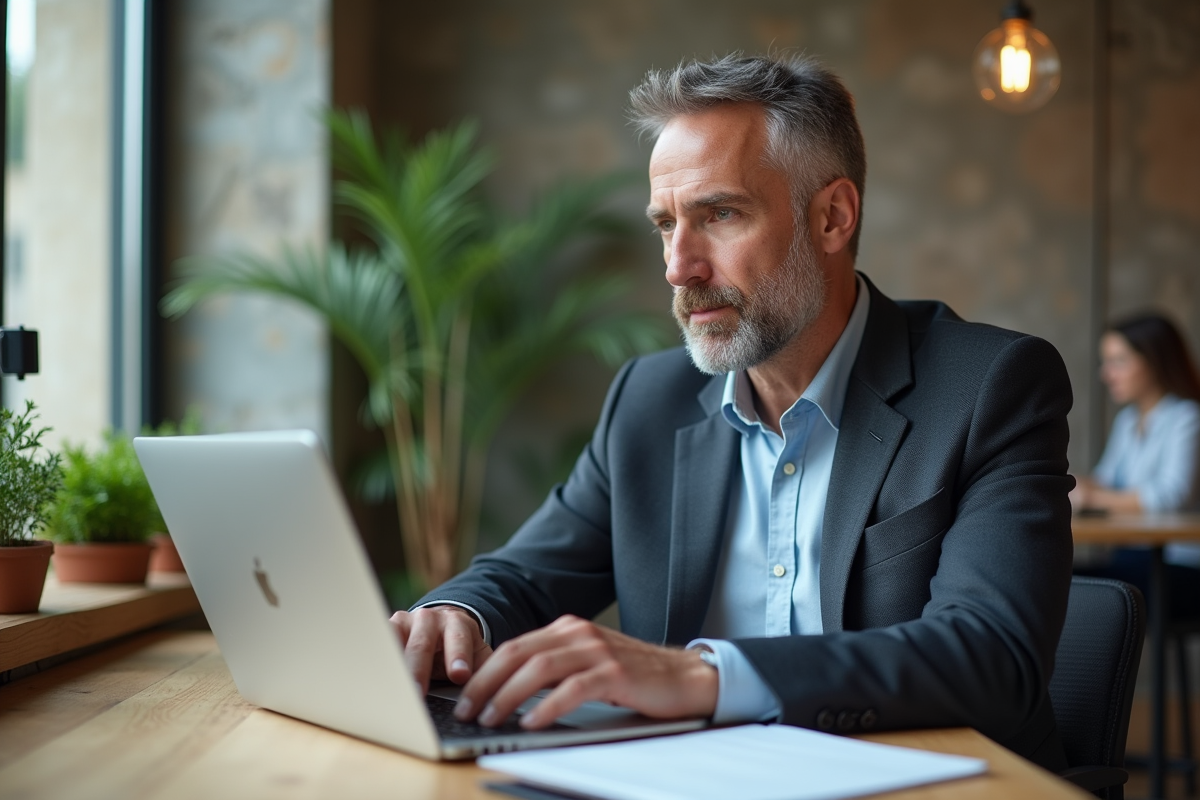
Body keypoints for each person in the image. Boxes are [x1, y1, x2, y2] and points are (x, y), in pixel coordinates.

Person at [389, 54, 1075, 771]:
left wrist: (704, 677)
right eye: (666, 224)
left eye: (719, 215)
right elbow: (525, 578)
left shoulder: (989, 386)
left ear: (833, 216)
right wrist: (454, 616)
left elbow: (993, 655)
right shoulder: (646, 403)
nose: (679, 267)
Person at [1073, 312, 1200, 617]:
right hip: (1134, 557)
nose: (1107, 374)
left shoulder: (1188, 418)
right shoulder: (1128, 421)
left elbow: (1169, 496)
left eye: (1119, 361)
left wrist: (1091, 497)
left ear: (1154, 361)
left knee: (1067, 587)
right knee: (1049, 576)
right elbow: (1105, 480)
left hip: (1179, 567)